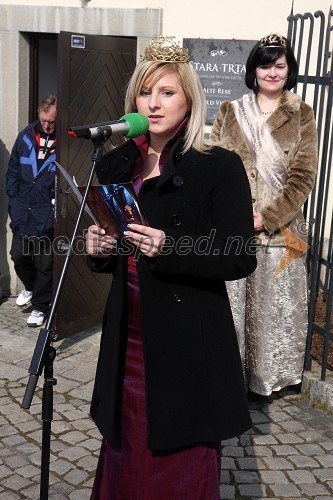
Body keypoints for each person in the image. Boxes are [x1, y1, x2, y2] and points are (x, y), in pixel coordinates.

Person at [85, 36, 257, 499]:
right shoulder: (119, 163)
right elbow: (123, 250)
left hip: (187, 346)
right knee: (127, 459)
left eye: (167, 92)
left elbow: (240, 254)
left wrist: (171, 246)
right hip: (129, 339)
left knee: (174, 471)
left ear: (188, 100)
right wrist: (102, 248)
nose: (154, 103)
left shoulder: (219, 165)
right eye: (146, 92)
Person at [210, 33, 318, 401]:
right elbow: (215, 169)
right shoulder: (230, 111)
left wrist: (266, 217)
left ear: (289, 71)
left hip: (282, 231)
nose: (272, 72)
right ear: (253, 69)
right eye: (265, 64)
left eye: (279, 65)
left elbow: (303, 178)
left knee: (273, 312)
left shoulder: (302, 114)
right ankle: (230, 378)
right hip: (233, 229)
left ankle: (268, 382)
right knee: (235, 308)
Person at [6, 95, 57, 327]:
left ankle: (40, 306)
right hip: (23, 207)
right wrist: (13, 194)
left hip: (47, 208)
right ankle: (31, 287)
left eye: (52, 122)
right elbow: (14, 166)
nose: (46, 125)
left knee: (46, 263)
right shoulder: (26, 135)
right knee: (19, 256)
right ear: (39, 113)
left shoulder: (65, 142)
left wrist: (57, 202)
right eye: (43, 119)